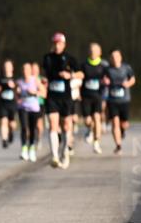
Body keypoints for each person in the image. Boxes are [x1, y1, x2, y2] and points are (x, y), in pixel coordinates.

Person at [41, 32, 82, 169]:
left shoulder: (70, 58)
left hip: (65, 97)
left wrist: (70, 75)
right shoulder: (47, 58)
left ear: (64, 44)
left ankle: (65, 152)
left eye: (59, 43)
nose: (57, 46)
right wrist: (43, 80)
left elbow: (81, 73)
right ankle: (54, 156)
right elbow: (44, 73)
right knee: (53, 124)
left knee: (66, 126)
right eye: (55, 43)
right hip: (52, 97)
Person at [103, 49, 135, 154]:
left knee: (124, 123)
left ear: (120, 57)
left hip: (124, 99)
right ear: (110, 59)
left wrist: (128, 84)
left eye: (116, 56)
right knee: (114, 123)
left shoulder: (126, 68)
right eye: (112, 57)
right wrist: (104, 81)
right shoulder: (107, 69)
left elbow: (133, 79)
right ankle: (118, 145)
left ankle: (123, 130)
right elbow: (103, 79)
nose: (115, 58)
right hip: (112, 100)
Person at [80, 43, 108, 154]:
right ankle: (89, 130)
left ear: (99, 52)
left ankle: (96, 143)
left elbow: (108, 78)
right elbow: (79, 77)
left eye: (95, 50)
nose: (93, 52)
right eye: (91, 50)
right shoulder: (84, 65)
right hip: (86, 96)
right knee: (87, 120)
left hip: (98, 95)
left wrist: (107, 82)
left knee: (97, 117)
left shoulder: (104, 66)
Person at [18, 62, 41, 162]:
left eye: (27, 69)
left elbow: (43, 92)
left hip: (34, 108)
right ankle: (24, 148)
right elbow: (16, 94)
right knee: (24, 127)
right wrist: (18, 97)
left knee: (32, 129)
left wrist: (34, 92)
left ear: (30, 71)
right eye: (23, 69)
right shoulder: (19, 81)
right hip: (23, 108)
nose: (25, 71)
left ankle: (31, 148)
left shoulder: (35, 80)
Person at [0, 60, 18, 148]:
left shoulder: (15, 79)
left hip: (12, 103)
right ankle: (4, 139)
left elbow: (18, 91)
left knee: (12, 124)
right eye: (5, 66)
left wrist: (14, 86)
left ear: (12, 68)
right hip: (2, 103)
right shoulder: (0, 78)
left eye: (8, 66)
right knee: (3, 121)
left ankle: (11, 132)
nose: (7, 68)